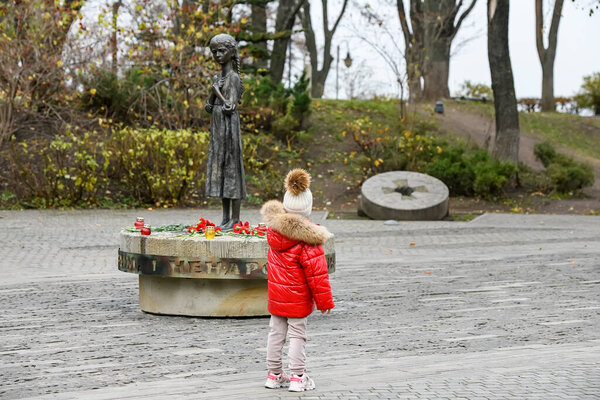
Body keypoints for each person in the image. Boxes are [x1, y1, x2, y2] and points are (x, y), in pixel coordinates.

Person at [259, 169, 334, 392]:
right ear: (308, 209)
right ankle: (298, 377)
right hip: (298, 296)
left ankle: (273, 375)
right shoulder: (309, 239)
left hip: (276, 294)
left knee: (276, 332)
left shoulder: (274, 233)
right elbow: (317, 275)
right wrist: (325, 302)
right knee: (297, 334)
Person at [204, 33, 247, 231]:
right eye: (215, 52)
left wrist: (216, 92)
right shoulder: (217, 78)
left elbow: (230, 106)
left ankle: (235, 219)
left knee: (232, 172)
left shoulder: (234, 78)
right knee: (221, 172)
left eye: (222, 50)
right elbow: (208, 106)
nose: (218, 55)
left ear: (231, 52)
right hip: (218, 131)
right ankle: (225, 218)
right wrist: (212, 95)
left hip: (230, 130)